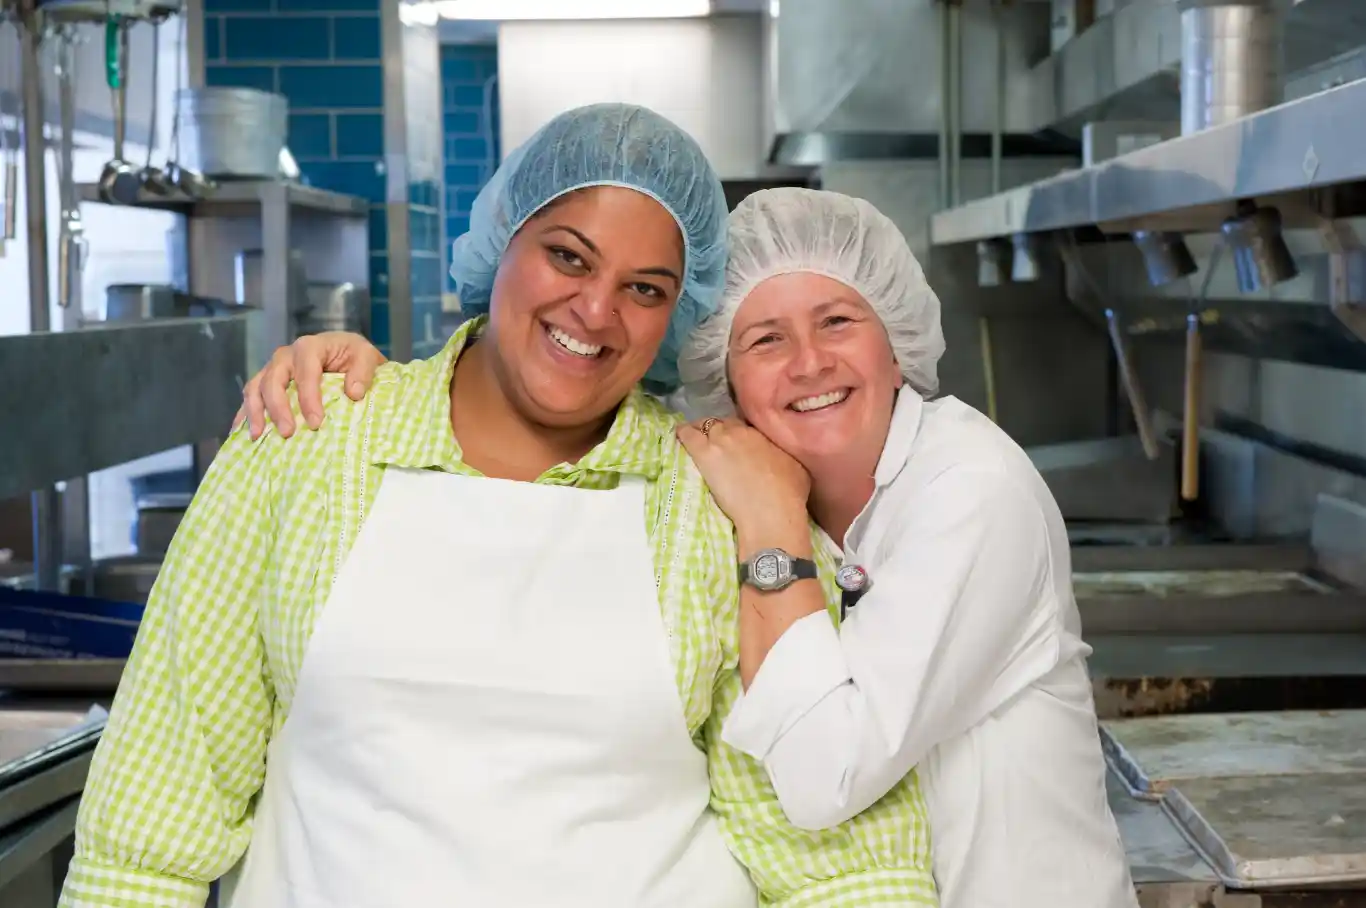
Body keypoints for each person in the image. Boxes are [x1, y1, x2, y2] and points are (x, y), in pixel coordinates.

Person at [61, 113, 938, 908]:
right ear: (501, 241)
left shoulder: (723, 500)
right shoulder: (309, 442)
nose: (594, 311)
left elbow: (841, 863)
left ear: (682, 312)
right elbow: (149, 832)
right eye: (567, 255)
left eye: (646, 289)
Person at [244, 187, 1140, 908]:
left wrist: (772, 531)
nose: (809, 363)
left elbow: (827, 774)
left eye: (837, 322)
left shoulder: (968, 489)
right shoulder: (739, 473)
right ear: (722, 377)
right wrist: (361, 369)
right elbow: (543, 388)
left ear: (897, 339)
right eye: (764, 338)